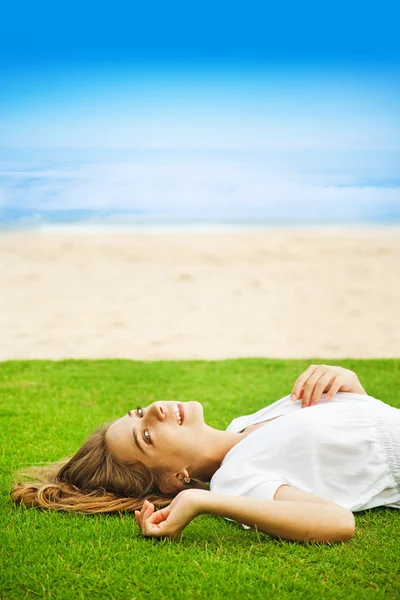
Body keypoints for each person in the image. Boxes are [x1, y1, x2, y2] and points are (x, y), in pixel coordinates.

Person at [11, 364, 400, 544]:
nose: (155, 410)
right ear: (176, 477)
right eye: (147, 434)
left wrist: (351, 387)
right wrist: (200, 500)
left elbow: (358, 444)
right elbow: (336, 521)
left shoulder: (244, 424)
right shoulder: (236, 478)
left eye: (138, 411)